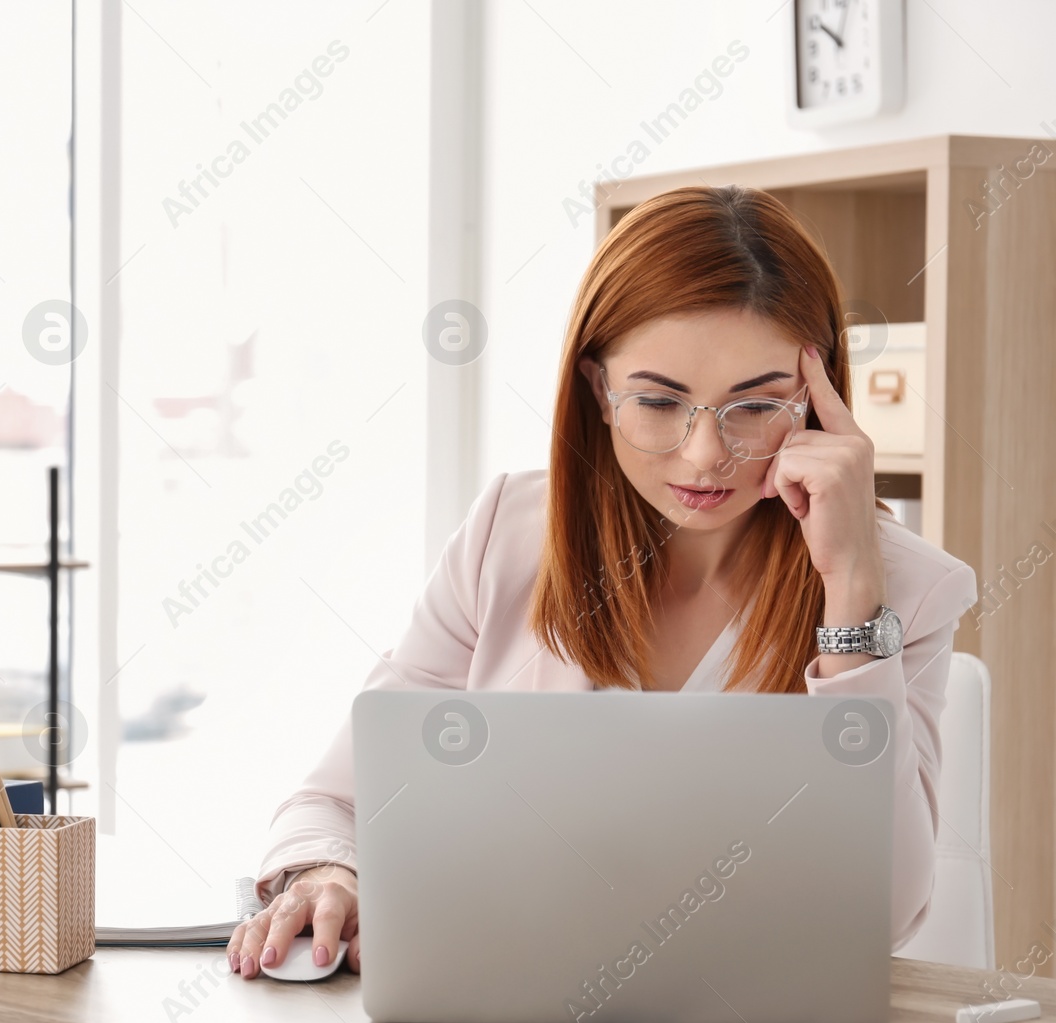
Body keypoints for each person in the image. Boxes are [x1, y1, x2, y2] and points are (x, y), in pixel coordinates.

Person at [226, 184, 978, 980]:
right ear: (597, 390)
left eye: (755, 405)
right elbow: (336, 801)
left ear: (818, 401)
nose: (704, 456)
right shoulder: (506, 534)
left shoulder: (910, 588)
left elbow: (883, 912)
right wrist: (328, 871)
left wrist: (853, 585)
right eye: (659, 401)